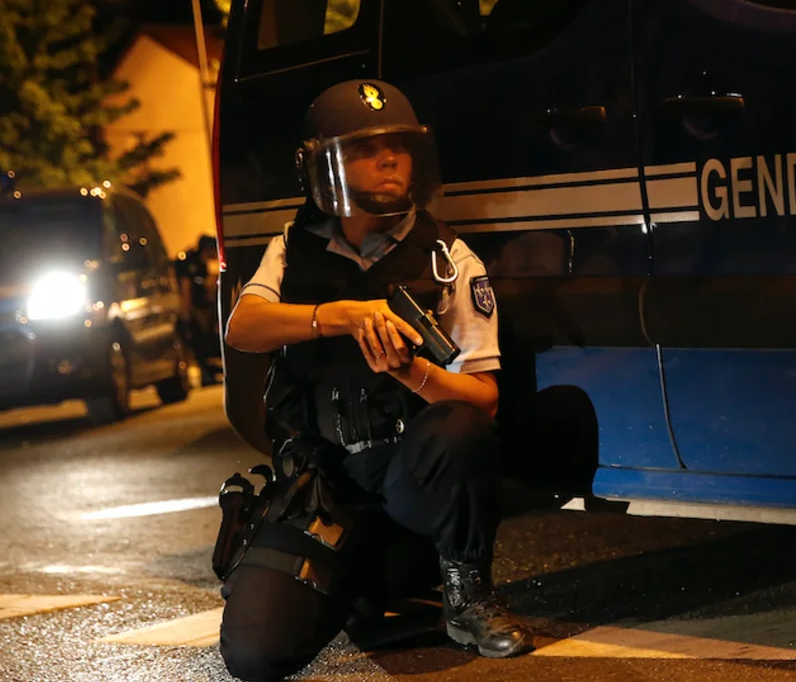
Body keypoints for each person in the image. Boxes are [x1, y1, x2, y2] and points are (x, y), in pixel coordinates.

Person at [218, 80, 533, 682]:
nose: (389, 160)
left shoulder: (448, 258)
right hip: (327, 488)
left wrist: (409, 370)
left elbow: (484, 399)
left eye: (399, 147)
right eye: (365, 150)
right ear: (322, 166)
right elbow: (244, 327)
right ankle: (358, 586)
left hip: (408, 483)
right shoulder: (292, 248)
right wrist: (336, 316)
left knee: (460, 427)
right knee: (256, 656)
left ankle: (466, 599)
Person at [175, 234, 222, 384]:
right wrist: (185, 317)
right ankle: (206, 375)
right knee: (197, 341)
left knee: (205, 340)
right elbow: (186, 290)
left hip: (200, 307)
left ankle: (208, 373)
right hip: (190, 309)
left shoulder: (202, 264)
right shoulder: (189, 263)